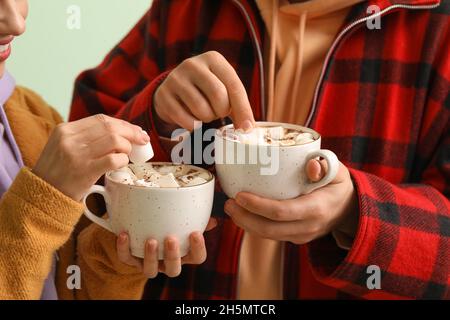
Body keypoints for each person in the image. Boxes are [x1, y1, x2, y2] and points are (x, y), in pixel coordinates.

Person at [70, 0, 449, 299]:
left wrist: (356, 214)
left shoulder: (437, 26)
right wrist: (154, 116)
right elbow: (76, 163)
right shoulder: (186, 8)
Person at [0, 0, 212, 300]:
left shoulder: (35, 116)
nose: (16, 24)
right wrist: (39, 209)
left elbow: (69, 288)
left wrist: (118, 254)